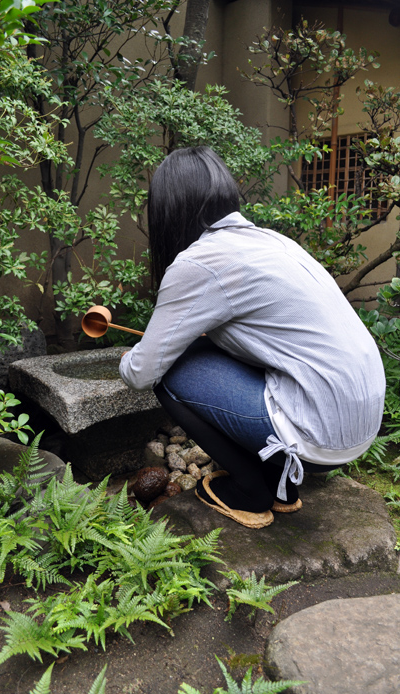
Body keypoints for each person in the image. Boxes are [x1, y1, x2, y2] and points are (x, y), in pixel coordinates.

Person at [119, 146, 386, 529]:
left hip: (318, 435)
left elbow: (143, 372)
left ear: (167, 209)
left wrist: (130, 358)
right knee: (225, 353)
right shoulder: (272, 241)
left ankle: (249, 490)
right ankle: (283, 489)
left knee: (170, 373)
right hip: (360, 427)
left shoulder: (198, 262)